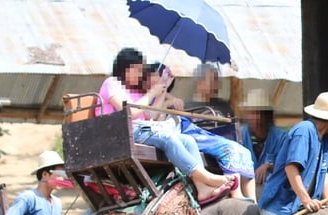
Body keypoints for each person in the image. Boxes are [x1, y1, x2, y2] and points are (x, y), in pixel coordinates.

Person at [99, 48, 238, 205]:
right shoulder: (111, 83)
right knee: (167, 137)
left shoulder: (134, 91)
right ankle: (205, 176)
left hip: (141, 129)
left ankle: (202, 187)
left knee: (188, 141)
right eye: (136, 70)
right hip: (122, 133)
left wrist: (162, 91)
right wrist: (151, 93)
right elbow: (130, 111)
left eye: (141, 70)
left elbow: (152, 116)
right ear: (124, 68)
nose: (139, 74)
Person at [144, 63, 255, 201]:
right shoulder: (183, 105)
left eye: (217, 80)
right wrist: (167, 102)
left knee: (244, 151)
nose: (217, 84)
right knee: (230, 148)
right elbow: (160, 120)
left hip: (213, 137)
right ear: (200, 82)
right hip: (195, 137)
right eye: (213, 80)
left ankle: (253, 200)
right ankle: (235, 194)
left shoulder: (223, 105)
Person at [258, 92, 328, 215]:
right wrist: (306, 200)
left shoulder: (325, 139)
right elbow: (291, 168)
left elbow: (324, 171)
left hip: (303, 207)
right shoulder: (304, 130)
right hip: (280, 205)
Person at [239, 88, 287, 192]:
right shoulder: (239, 135)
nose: (257, 118)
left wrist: (269, 166)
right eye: (253, 113)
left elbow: (289, 167)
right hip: (245, 192)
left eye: (261, 113)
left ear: (268, 115)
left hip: (273, 192)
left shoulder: (281, 137)